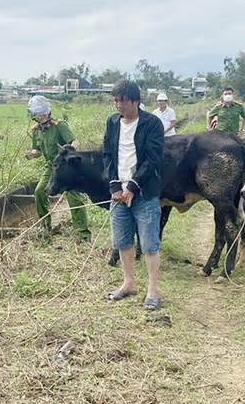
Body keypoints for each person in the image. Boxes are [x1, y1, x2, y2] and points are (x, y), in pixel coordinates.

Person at [103, 79, 164, 311]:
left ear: (136, 101)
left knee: (149, 244)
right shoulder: (112, 122)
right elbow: (108, 155)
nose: (118, 105)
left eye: (123, 101)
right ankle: (128, 283)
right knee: (122, 241)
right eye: (116, 101)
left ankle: (153, 290)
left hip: (144, 193)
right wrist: (115, 188)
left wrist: (133, 188)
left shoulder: (152, 124)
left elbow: (153, 159)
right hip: (119, 194)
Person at [25, 95, 91, 241]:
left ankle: (83, 234)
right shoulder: (36, 130)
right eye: (37, 114)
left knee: (73, 195)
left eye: (41, 113)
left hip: (66, 167)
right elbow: (37, 151)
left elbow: (74, 141)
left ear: (47, 112)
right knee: (39, 192)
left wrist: (71, 150)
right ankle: (46, 226)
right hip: (51, 167)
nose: (39, 116)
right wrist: (31, 154)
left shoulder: (59, 126)